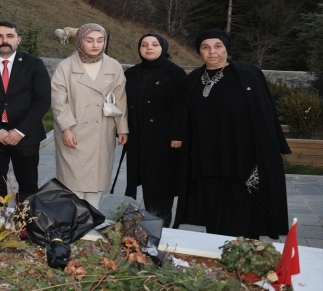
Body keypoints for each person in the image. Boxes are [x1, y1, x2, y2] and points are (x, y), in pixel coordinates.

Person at [174, 29, 290, 239]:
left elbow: (265, 113)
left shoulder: (248, 74)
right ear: (199, 51)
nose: (212, 52)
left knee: (242, 209)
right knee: (213, 209)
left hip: (241, 157)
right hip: (207, 159)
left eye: (218, 46)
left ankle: (245, 257)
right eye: (205, 47)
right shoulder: (192, 79)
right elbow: (184, 116)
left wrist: (268, 150)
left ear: (226, 48)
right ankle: (217, 252)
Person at [0, 21, 51, 205]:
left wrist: (20, 131)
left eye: (10, 36)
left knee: (28, 186)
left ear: (18, 39)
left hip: (26, 136)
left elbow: (42, 100)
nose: (4, 40)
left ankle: (25, 226)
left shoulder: (34, 64)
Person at [51, 23, 128, 209]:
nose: (96, 45)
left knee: (96, 179)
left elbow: (120, 99)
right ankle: (72, 221)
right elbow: (58, 100)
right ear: (79, 41)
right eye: (90, 40)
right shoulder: (66, 67)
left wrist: (122, 128)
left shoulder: (113, 66)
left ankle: (92, 218)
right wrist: (66, 128)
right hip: (74, 131)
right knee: (73, 180)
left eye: (100, 40)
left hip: (102, 131)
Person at [124, 33, 186, 227]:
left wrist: (177, 134)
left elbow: (182, 106)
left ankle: (162, 233)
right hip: (140, 143)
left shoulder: (175, 73)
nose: (149, 48)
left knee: (161, 192)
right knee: (148, 189)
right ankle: (149, 232)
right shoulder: (132, 74)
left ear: (163, 47)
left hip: (165, 144)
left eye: (154, 44)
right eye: (144, 44)